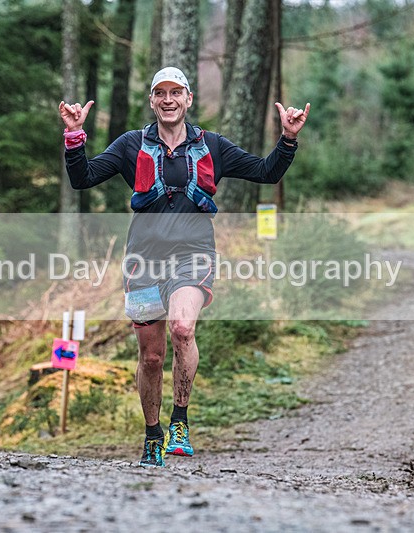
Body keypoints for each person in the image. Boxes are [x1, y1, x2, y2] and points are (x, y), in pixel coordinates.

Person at [59, 66, 309, 467]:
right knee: (151, 357)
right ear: (152, 101)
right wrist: (74, 136)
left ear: (189, 99)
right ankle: (152, 435)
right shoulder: (130, 145)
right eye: (161, 93)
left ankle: (180, 420)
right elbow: (82, 179)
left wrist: (288, 138)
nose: (168, 100)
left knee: (182, 327)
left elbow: (267, 172)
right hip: (143, 259)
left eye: (176, 92)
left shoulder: (212, 145)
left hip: (194, 254)